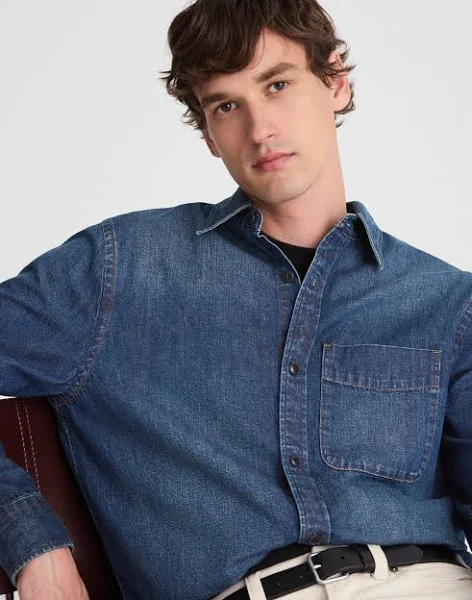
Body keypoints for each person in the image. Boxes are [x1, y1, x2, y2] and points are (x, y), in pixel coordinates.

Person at [1, 0, 472, 598]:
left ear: (335, 82)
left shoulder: (446, 301)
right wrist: (31, 543)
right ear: (207, 133)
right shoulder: (118, 271)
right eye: (226, 105)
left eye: (277, 85)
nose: (259, 129)